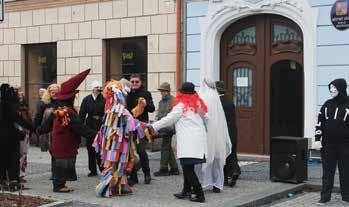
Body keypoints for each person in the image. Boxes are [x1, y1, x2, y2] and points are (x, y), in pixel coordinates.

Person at [38, 69, 97, 193]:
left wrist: (39, 130)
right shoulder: (67, 111)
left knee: (58, 163)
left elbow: (47, 125)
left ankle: (59, 183)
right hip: (64, 142)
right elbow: (79, 127)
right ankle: (59, 185)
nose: (74, 98)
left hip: (58, 142)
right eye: (73, 96)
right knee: (61, 163)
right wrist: (96, 135)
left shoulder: (59, 109)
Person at [148, 82, 208, 203]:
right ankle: (186, 191)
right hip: (198, 140)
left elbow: (169, 119)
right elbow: (207, 117)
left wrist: (153, 127)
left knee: (188, 168)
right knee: (188, 166)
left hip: (188, 141)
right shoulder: (198, 103)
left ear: (182, 92)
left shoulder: (181, 105)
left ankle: (199, 194)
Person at [93, 79, 146, 197]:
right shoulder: (118, 110)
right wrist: (146, 126)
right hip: (117, 143)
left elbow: (130, 118)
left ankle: (120, 186)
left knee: (118, 163)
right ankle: (107, 188)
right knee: (116, 164)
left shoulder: (111, 110)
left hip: (115, 143)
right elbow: (132, 122)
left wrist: (139, 108)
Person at [314, 79, 349, 205]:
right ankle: (325, 197)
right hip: (328, 145)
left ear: (341, 88)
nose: (331, 90)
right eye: (330, 88)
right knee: (327, 172)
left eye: (334, 88)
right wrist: (318, 139)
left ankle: (346, 196)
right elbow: (319, 122)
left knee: (346, 172)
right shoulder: (327, 104)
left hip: (345, 145)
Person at [195, 78, 232, 193]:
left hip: (206, 132)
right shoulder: (216, 98)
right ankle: (217, 184)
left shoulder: (203, 97)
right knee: (217, 158)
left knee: (203, 157)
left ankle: (202, 182)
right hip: (217, 132)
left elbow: (200, 113)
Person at [0, 84, 33, 192]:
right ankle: (13, 181)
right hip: (9, 138)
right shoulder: (8, 105)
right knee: (13, 159)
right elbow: (19, 120)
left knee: (3, 159)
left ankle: (3, 180)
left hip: (5, 137)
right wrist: (33, 127)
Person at [126, 74, 155, 184]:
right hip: (129, 126)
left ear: (140, 82)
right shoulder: (127, 94)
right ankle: (133, 176)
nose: (134, 84)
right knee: (130, 152)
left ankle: (147, 174)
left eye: (136, 82)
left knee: (141, 151)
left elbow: (152, 109)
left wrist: (146, 104)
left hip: (141, 127)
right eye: (132, 82)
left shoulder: (145, 94)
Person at [216, 81, 241, 187]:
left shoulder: (217, 102)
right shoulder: (229, 101)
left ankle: (226, 177)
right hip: (233, 131)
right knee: (232, 153)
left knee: (223, 155)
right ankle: (234, 171)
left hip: (223, 131)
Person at [79, 80, 105, 177]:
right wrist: (80, 127)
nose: (98, 89)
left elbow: (106, 113)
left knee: (100, 148)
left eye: (99, 87)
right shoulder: (87, 99)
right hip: (90, 125)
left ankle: (102, 168)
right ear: (92, 89)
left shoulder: (103, 99)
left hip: (100, 125)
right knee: (90, 148)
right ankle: (92, 170)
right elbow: (82, 114)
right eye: (96, 87)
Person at [153, 82, 179, 177]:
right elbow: (159, 114)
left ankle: (163, 168)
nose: (161, 92)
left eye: (163, 91)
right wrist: (155, 124)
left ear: (167, 91)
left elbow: (174, 115)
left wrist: (171, 126)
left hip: (169, 128)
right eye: (161, 91)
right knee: (167, 147)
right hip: (162, 127)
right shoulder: (161, 102)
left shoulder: (174, 100)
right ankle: (174, 168)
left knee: (165, 147)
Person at [16, 87, 32, 184]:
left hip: (25, 133)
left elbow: (29, 121)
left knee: (24, 154)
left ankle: (21, 174)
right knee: (18, 154)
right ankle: (15, 174)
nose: (21, 97)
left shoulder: (25, 108)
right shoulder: (13, 108)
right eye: (19, 96)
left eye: (22, 96)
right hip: (17, 133)